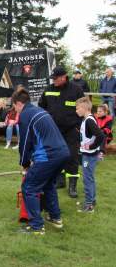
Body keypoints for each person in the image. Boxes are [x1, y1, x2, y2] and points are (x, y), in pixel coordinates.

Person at [13, 89, 70, 234]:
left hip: (48, 156)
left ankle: (36, 226)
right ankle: (55, 217)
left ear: (19, 103)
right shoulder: (40, 111)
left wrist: (25, 164)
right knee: (48, 184)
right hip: (63, 153)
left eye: (14, 107)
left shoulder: (25, 115)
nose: (15, 110)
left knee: (29, 187)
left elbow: (25, 143)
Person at [39, 66, 84, 198]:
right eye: (52, 78)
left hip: (71, 130)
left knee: (72, 157)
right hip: (53, 130)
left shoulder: (76, 90)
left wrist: (79, 126)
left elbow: (84, 108)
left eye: (56, 78)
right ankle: (60, 180)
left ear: (64, 77)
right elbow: (42, 107)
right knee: (57, 156)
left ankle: (72, 185)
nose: (53, 81)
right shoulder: (48, 89)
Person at [76, 97, 105, 213]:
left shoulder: (89, 120)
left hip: (89, 154)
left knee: (87, 179)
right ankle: (92, 200)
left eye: (77, 108)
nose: (76, 111)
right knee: (90, 177)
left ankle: (89, 205)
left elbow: (101, 136)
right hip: (89, 153)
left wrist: (91, 147)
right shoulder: (88, 119)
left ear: (84, 108)